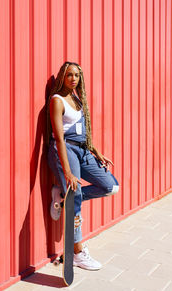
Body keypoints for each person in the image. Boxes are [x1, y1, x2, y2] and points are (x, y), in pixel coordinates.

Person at [47, 61, 119, 270]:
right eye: (69, 75)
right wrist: (67, 171)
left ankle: (63, 196)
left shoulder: (77, 99)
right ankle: (77, 252)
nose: (73, 79)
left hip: (83, 150)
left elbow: (82, 131)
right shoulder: (57, 100)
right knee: (75, 195)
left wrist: (96, 151)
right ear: (62, 76)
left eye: (76, 75)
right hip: (66, 150)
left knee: (111, 186)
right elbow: (59, 138)